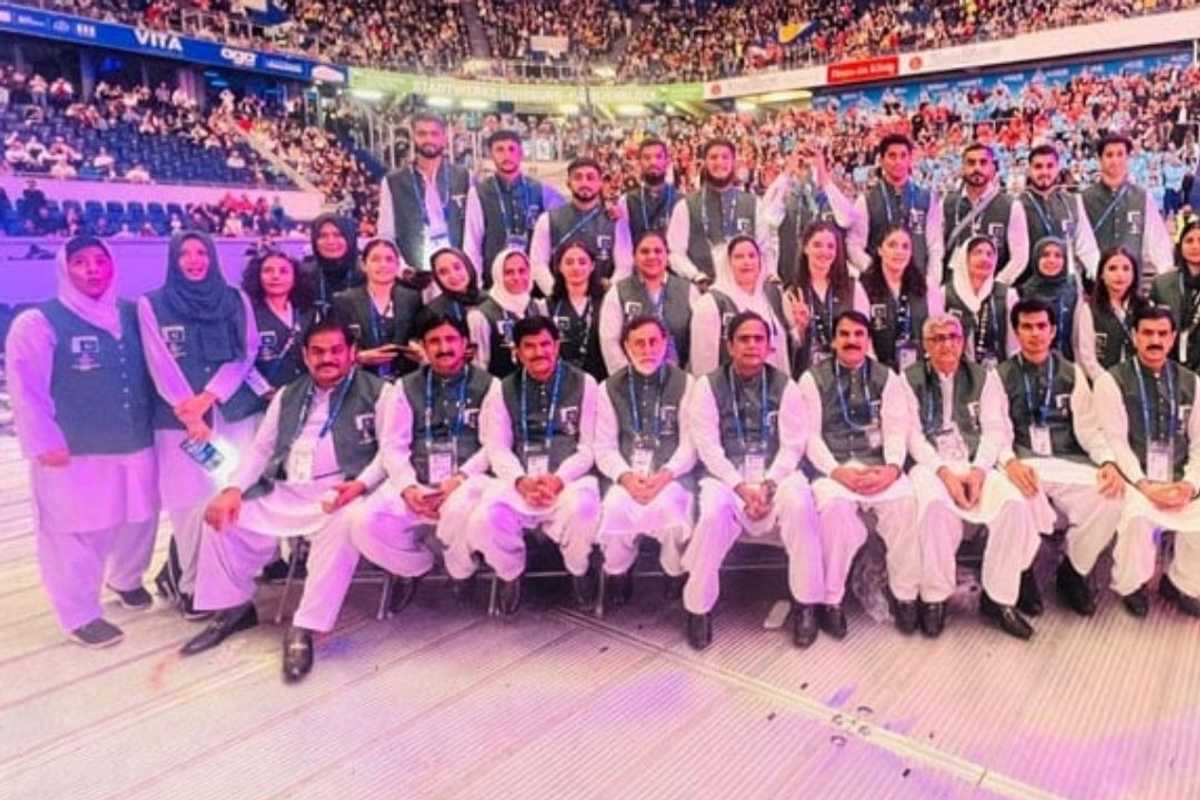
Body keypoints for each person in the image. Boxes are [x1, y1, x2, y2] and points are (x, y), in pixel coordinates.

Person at [179, 316, 389, 683]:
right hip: (285, 487)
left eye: (337, 350)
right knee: (219, 513)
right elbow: (260, 450)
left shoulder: (380, 392)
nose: (328, 358)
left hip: (340, 491)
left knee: (343, 525)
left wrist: (361, 485)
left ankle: (305, 628)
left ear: (352, 353)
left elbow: (389, 452)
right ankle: (233, 607)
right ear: (306, 356)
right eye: (318, 352)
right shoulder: (289, 394)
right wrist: (232, 490)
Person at [6, 236, 158, 647]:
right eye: (81, 262)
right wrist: (43, 442)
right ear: (64, 268)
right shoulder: (39, 321)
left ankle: (126, 578)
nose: (92, 269)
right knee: (76, 532)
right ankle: (79, 613)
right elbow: (26, 388)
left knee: (139, 519)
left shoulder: (133, 313)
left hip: (136, 440)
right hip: (73, 451)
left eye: (100, 261)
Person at [137, 231, 260, 619]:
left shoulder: (235, 299)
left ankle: (224, 579)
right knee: (188, 504)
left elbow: (247, 350)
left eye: (201, 252)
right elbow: (159, 360)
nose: (194, 260)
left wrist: (209, 398)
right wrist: (188, 411)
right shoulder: (152, 304)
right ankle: (190, 585)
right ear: (173, 259)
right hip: (179, 424)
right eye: (185, 254)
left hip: (229, 416)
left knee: (229, 496)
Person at [900, 313, 1042, 639]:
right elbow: (914, 437)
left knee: (1013, 505)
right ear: (925, 345)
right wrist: (945, 474)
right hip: (932, 464)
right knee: (933, 507)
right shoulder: (908, 379)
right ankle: (935, 597)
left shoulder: (984, 377)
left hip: (976, 460)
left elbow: (994, 430)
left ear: (963, 341)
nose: (946, 344)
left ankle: (999, 598)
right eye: (937, 338)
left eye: (952, 337)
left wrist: (978, 472)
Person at [681, 310, 816, 649]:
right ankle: (698, 608)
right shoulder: (707, 387)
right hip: (725, 479)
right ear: (729, 345)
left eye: (759, 339)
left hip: (775, 477)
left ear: (770, 346)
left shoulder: (786, 386)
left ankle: (806, 604)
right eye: (744, 338)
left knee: (800, 504)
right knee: (711, 514)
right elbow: (707, 446)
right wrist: (740, 487)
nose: (752, 345)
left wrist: (768, 486)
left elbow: (793, 444)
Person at [350, 312, 497, 607]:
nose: (444, 348)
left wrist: (459, 478)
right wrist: (408, 488)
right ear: (423, 348)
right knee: (364, 523)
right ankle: (414, 567)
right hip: (417, 478)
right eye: (435, 342)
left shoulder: (489, 385)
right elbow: (393, 445)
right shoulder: (405, 387)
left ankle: (461, 570)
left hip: (467, 480)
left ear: (466, 344)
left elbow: (494, 444)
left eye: (451, 340)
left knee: (460, 508)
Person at [996, 298, 1125, 618]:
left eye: (1042, 326)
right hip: (1024, 462)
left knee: (1112, 497)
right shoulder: (1000, 375)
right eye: (1027, 327)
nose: (1035, 334)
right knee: (1016, 501)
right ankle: (1022, 572)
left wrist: (1108, 462)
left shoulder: (1072, 373)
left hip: (1067, 460)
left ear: (1053, 331)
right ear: (1016, 331)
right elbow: (996, 431)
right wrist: (1008, 462)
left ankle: (1074, 570)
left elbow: (1090, 429)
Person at [797, 311, 919, 639]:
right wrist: (837, 473)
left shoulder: (887, 377)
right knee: (836, 514)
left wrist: (892, 469)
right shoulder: (812, 379)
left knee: (905, 506)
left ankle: (906, 594)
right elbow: (809, 436)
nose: (852, 341)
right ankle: (831, 599)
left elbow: (896, 429)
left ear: (867, 340)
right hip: (833, 469)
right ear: (834, 340)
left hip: (879, 467)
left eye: (859, 334)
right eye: (845, 334)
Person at [468, 317, 602, 615]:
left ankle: (579, 570)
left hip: (568, 478)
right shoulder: (502, 389)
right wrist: (520, 481)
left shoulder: (585, 383)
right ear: (517, 351)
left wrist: (558, 479)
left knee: (584, 510)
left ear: (557, 346)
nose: (539, 352)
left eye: (545, 344)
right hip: (519, 480)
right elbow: (498, 447)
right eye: (529, 346)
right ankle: (510, 573)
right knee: (484, 520)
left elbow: (588, 447)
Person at [1093, 305, 1200, 618]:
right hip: (1134, 477)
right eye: (1148, 333)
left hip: (1179, 477)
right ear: (1135, 336)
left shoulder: (1192, 382)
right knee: (1138, 516)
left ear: (1172, 338)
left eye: (1162, 334)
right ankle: (1132, 585)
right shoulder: (1111, 381)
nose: (1155, 340)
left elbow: (1199, 442)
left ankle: (1182, 583)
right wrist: (1144, 485)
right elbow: (1116, 442)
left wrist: (1190, 485)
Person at [595, 315, 697, 607]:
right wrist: (626, 478)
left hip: (671, 475)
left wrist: (665, 475)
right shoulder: (609, 388)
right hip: (628, 476)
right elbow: (603, 447)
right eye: (638, 343)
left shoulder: (685, 384)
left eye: (654, 342)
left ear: (665, 344)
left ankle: (672, 571)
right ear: (626, 347)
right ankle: (619, 571)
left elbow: (691, 443)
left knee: (674, 511)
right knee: (615, 507)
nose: (647, 349)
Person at [667, 137, 781, 288]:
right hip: (701, 291)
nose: (719, 162)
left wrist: (770, 274)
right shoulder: (685, 206)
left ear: (734, 162)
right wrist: (696, 276)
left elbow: (765, 249)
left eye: (725, 157)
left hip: (746, 291)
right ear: (705, 162)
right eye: (713, 157)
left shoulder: (754, 204)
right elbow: (675, 252)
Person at [463, 130, 563, 289]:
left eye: (511, 149)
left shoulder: (541, 190)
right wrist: (476, 286)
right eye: (500, 149)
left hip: (533, 284)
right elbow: (472, 243)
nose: (506, 155)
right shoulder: (479, 192)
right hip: (494, 284)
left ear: (521, 153)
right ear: (491, 154)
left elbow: (569, 216)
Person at [377, 112, 471, 279]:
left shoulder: (463, 176)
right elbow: (386, 233)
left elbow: (473, 232)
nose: (429, 139)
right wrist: (403, 270)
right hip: (415, 273)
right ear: (413, 136)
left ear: (444, 138)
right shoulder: (394, 181)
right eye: (422, 134)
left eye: (434, 134)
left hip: (456, 272)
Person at [1081, 134, 1173, 290]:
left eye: (1120, 154)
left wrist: (1167, 277)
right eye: (1109, 155)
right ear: (1100, 159)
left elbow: (1158, 242)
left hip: (1132, 285)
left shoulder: (1143, 198)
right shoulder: (1084, 199)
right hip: (1095, 285)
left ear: (1128, 158)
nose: (1115, 160)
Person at [690, 235, 792, 377]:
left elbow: (782, 348)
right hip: (730, 391)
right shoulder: (710, 303)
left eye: (752, 256)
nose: (747, 262)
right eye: (739, 257)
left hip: (771, 389)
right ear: (728, 263)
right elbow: (704, 363)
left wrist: (799, 329)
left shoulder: (772, 296)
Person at [599, 229, 698, 375]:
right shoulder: (618, 292)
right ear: (634, 257)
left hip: (679, 379)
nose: (652, 256)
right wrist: (627, 377)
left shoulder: (689, 291)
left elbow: (698, 343)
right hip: (632, 381)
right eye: (644, 252)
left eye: (658, 251)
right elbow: (609, 342)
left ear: (667, 256)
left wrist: (687, 379)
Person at [848, 133, 944, 283]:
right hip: (878, 285)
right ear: (881, 160)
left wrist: (932, 281)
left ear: (910, 159)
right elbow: (854, 245)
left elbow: (935, 245)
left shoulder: (927, 199)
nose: (898, 161)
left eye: (903, 155)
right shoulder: (866, 200)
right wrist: (875, 272)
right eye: (892, 156)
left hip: (918, 282)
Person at [530, 157, 630, 293]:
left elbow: (624, 265)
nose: (584, 183)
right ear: (568, 183)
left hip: (602, 301)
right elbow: (538, 263)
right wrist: (555, 293)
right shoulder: (547, 219)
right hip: (560, 302)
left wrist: (608, 292)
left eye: (590, 178)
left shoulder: (615, 219)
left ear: (600, 182)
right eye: (578, 178)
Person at [784, 221, 870, 376]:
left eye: (831, 246)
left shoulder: (854, 288)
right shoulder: (792, 294)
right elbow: (789, 349)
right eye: (817, 245)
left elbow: (865, 339)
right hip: (807, 377)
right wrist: (800, 328)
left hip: (847, 375)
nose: (824, 251)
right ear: (805, 248)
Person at [766, 141, 858, 287]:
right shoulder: (784, 195)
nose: (807, 166)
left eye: (812, 158)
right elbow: (770, 217)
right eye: (802, 158)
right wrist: (788, 172)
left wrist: (823, 176)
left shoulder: (833, 194)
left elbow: (848, 218)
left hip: (830, 282)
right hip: (792, 279)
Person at [332, 239, 423, 380]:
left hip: (405, 382)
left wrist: (418, 350)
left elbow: (418, 337)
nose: (383, 265)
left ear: (398, 265)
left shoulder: (412, 298)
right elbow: (335, 346)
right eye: (375, 259)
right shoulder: (345, 300)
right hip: (361, 382)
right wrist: (357, 357)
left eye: (389, 259)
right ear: (363, 265)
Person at [941, 143, 1029, 286]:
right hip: (953, 287)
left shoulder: (1011, 206)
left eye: (983, 163)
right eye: (971, 163)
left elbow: (1020, 256)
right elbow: (937, 250)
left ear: (993, 168)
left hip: (993, 287)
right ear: (962, 168)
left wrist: (998, 284)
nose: (977, 168)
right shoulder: (946, 203)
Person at [861, 224, 944, 372]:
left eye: (905, 247)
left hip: (920, 374)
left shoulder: (928, 286)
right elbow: (863, 340)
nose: (899, 252)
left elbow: (937, 332)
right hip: (877, 374)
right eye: (892, 245)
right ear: (880, 250)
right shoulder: (863, 289)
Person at [241, 247, 315, 404]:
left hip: (300, 397)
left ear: (295, 277)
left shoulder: (306, 313)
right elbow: (239, 358)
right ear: (257, 276)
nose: (276, 276)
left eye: (283, 271)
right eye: (268, 271)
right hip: (256, 402)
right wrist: (265, 391)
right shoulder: (246, 313)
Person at [1020, 143, 1100, 284]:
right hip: (1028, 285)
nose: (1044, 172)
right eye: (1038, 167)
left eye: (1050, 166)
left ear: (1058, 168)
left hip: (1066, 287)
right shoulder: (1017, 204)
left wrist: (1102, 280)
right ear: (1029, 170)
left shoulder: (1073, 202)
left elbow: (1087, 249)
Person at [468, 248, 547, 379]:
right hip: (500, 391)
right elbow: (479, 366)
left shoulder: (538, 307)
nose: (517, 277)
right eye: (509, 272)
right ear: (497, 274)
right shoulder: (480, 316)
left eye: (522, 271)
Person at [944, 235, 1018, 369]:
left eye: (990, 254)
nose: (985, 259)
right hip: (955, 376)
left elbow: (1014, 347)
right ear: (964, 258)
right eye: (977, 253)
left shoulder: (1008, 295)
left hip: (995, 376)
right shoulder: (945, 294)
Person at [1075, 247, 1148, 381]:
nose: (1120, 274)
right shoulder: (1089, 309)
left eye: (1126, 268)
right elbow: (1087, 357)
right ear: (1101, 274)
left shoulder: (1145, 307)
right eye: (1112, 268)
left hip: (1139, 383)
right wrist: (1106, 383)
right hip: (1102, 382)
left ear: (1134, 274)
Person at [548, 241, 607, 382]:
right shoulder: (547, 305)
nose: (576, 267)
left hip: (600, 379)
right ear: (559, 267)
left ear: (592, 266)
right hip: (560, 382)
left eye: (582, 262)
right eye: (569, 262)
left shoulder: (607, 302)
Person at [1018, 237, 1083, 361]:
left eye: (1058, 256)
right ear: (1036, 258)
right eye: (1045, 255)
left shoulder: (1074, 292)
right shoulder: (1022, 292)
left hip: (1067, 366)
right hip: (1029, 365)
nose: (1051, 260)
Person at [1149, 217, 1200, 371]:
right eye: (1189, 241)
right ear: (1180, 246)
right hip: (1169, 366)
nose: (1195, 246)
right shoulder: (1161, 284)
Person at [614, 138, 683, 250]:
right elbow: (623, 245)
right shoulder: (626, 201)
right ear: (639, 162)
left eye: (658, 157)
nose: (653, 162)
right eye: (647, 158)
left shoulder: (681, 201)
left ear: (667, 161)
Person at [303, 213, 363, 317]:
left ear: (350, 238)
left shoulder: (365, 276)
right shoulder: (303, 278)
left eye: (338, 235)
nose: (330, 241)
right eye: (323, 236)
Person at [425, 246, 486, 324]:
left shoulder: (491, 299)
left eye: (457, 267)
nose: (453, 275)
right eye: (443, 272)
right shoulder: (433, 313)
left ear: (468, 267)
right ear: (437, 278)